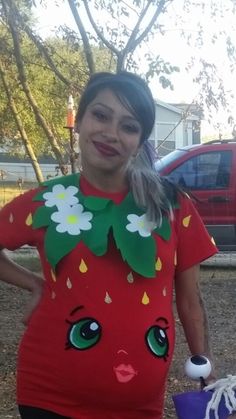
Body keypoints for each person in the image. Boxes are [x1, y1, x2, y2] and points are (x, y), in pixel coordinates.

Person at [0, 71, 217, 419]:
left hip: (138, 407)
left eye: (128, 126)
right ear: (81, 121)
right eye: (101, 115)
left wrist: (205, 370)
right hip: (48, 397)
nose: (111, 133)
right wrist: (33, 284)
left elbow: (191, 302)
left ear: (140, 139)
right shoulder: (51, 200)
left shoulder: (171, 206)